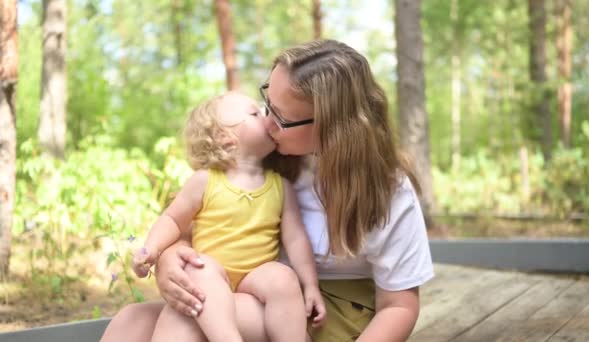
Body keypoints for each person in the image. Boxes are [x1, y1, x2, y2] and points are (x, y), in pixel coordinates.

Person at [101, 39, 434, 342]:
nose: (266, 122)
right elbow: (192, 221)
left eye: (281, 116)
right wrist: (171, 261)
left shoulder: (388, 188)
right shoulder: (269, 157)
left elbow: (399, 307)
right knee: (131, 320)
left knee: (188, 321)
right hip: (258, 291)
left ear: (331, 126)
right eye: (266, 103)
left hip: (324, 311)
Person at [129, 92, 325, 342]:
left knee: (283, 276)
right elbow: (173, 220)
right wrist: (151, 249)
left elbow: (296, 239)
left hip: (255, 278)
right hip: (213, 275)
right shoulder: (205, 181)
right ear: (224, 137)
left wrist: (310, 285)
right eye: (255, 114)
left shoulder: (280, 186)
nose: (268, 119)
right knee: (199, 267)